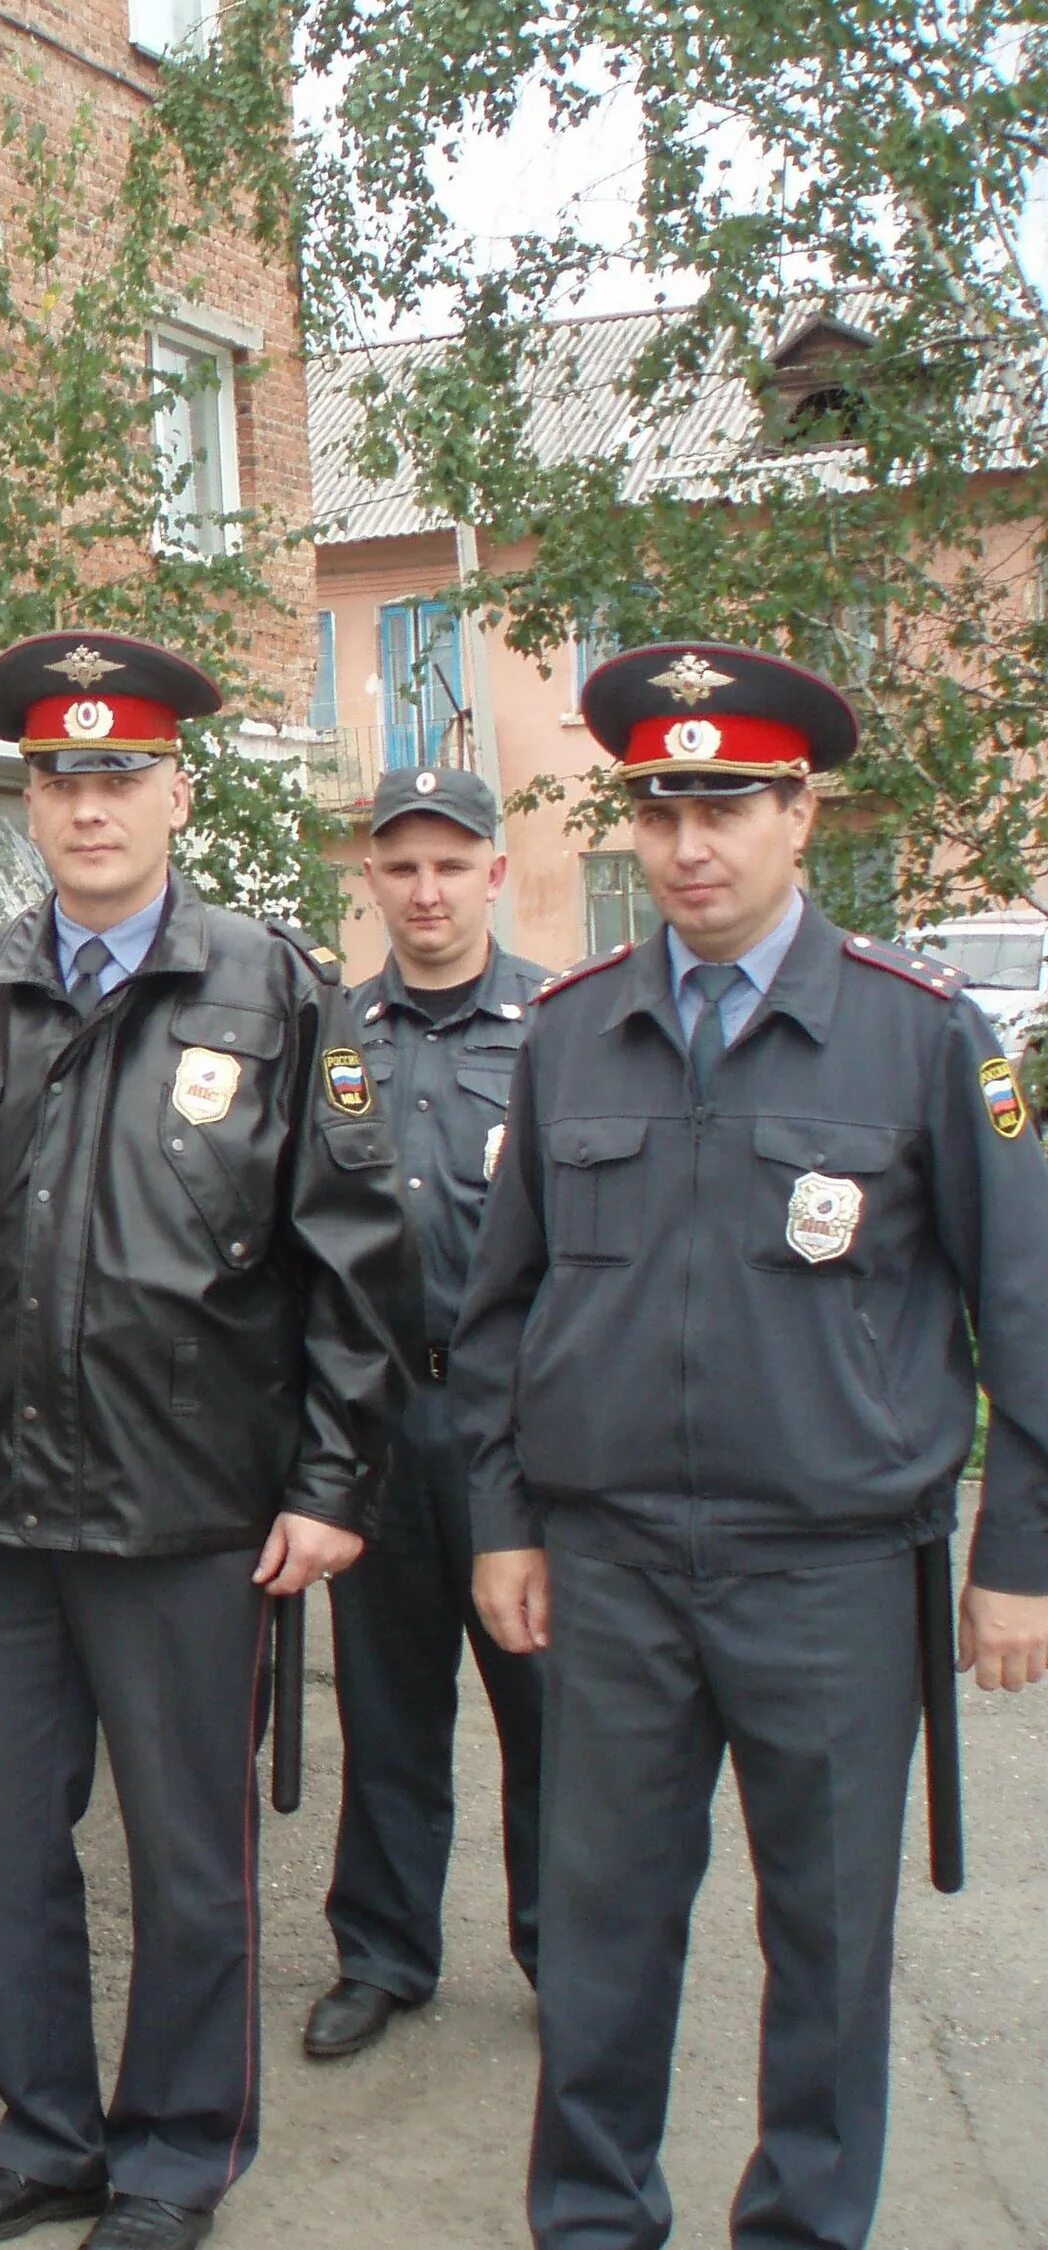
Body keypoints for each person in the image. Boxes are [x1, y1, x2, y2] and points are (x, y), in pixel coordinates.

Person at [452, 643, 1048, 2250]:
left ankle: (802, 2227)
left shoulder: (921, 1033)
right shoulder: (574, 1031)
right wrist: (503, 1520)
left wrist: (1020, 1562)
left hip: (835, 1571)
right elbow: (498, 1310)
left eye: (726, 804)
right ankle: (591, 2221)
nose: (688, 845)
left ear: (801, 809)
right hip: (616, 1568)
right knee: (601, 1939)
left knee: (830, 1945)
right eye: (660, 808)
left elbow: (1027, 1310)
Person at [0, 633, 411, 2250]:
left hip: (190, 1511)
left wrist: (332, 1482)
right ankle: (45, 2131)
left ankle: (177, 2153)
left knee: (191, 1865)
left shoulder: (274, 987)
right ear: (27, 803)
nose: (91, 805)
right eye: (62, 777)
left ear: (177, 791)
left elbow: (355, 1258)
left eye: (119, 775)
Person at [305, 765, 547, 2062]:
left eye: (452, 863)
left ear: (493, 872)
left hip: (522, 1441)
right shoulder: (335, 1036)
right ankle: (384, 1953)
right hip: (382, 1424)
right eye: (402, 866)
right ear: (375, 880)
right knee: (390, 1711)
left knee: (550, 1715)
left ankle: (567, 1951)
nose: (428, 889)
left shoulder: (561, 1028)